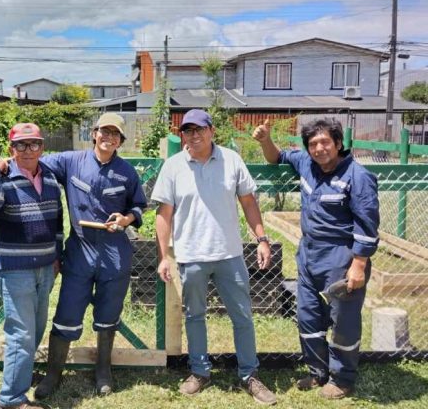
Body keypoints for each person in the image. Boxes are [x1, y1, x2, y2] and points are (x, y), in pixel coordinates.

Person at [152, 109, 278, 405]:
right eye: (187, 130)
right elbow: (163, 215)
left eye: (199, 129)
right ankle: (199, 371)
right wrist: (163, 256)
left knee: (242, 316)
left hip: (229, 255)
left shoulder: (231, 160)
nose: (193, 135)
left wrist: (261, 238)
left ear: (212, 132)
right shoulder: (173, 167)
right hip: (191, 256)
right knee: (194, 316)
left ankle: (249, 375)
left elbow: (248, 202)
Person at [252, 117, 379, 399]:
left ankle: (342, 379)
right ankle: (317, 373)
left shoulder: (357, 177)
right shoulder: (307, 164)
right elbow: (277, 157)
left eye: (325, 142)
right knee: (308, 316)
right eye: (313, 144)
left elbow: (368, 228)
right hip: (308, 254)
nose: (319, 148)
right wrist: (265, 141)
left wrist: (358, 266)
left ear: (337, 143)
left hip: (342, 256)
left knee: (343, 320)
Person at [33, 112, 148, 398]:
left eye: (115, 134)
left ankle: (103, 371)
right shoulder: (71, 162)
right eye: (104, 132)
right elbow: (33, 162)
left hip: (115, 253)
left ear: (121, 141)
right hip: (80, 251)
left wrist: (125, 219)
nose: (109, 137)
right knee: (67, 313)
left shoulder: (127, 172)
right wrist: (3, 164)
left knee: (109, 314)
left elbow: (138, 207)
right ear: (93, 133)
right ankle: (53, 374)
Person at [0, 123, 63, 409]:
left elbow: (57, 222)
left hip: (45, 265)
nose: (28, 150)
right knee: (22, 333)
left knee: (35, 329)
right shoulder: (2, 175)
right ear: (11, 148)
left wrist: (57, 256)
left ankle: (21, 373)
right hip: (16, 267)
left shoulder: (49, 177)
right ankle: (11, 399)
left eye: (34, 144)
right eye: (21, 145)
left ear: (43, 147)